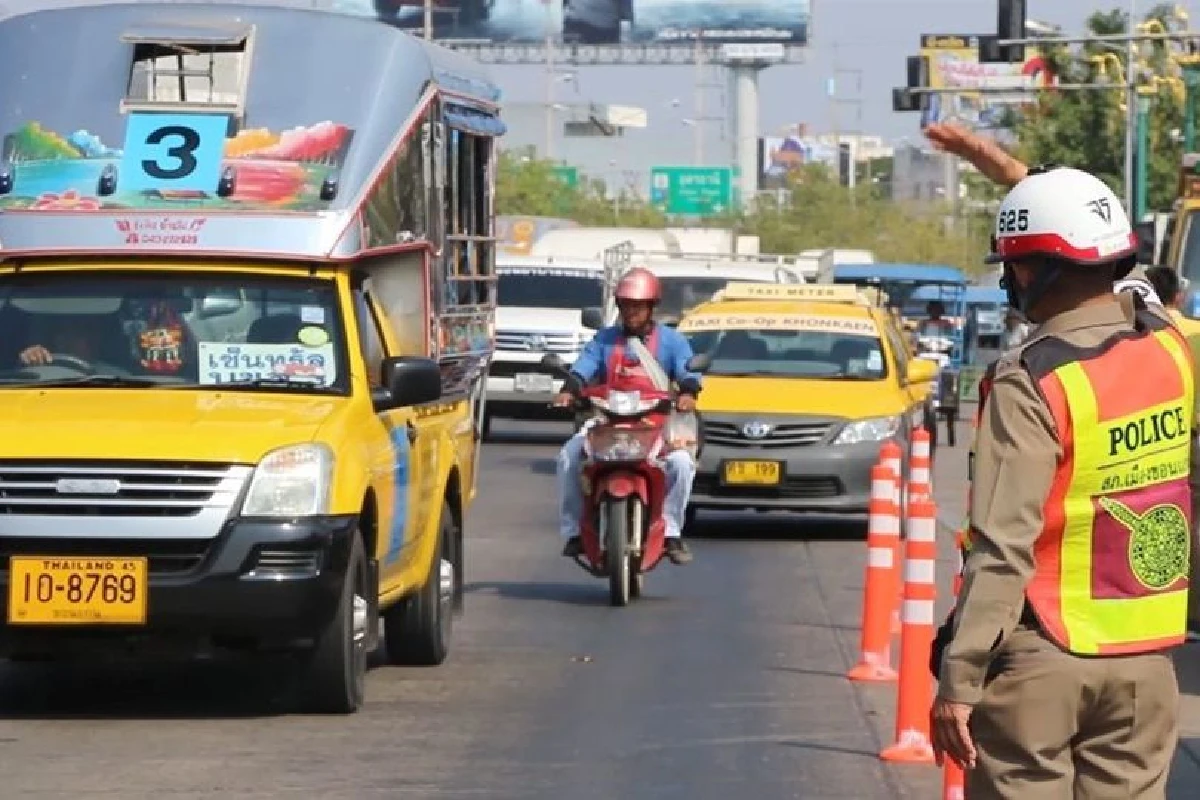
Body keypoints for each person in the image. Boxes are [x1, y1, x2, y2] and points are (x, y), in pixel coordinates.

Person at [924, 161, 1198, 796]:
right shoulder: (1170, 348)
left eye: (1013, 266)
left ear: (1032, 271)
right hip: (1147, 663)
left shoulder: (1032, 378)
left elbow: (1003, 544)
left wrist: (960, 677)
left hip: (1042, 657)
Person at [552, 267, 701, 566]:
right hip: (606, 422)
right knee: (568, 456)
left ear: (651, 307)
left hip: (655, 424)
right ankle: (574, 531)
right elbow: (584, 367)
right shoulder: (604, 340)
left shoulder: (672, 341)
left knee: (682, 464)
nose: (631, 312)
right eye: (626, 306)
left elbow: (688, 370)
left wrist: (688, 392)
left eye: (638, 306)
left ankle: (671, 532)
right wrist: (569, 390)